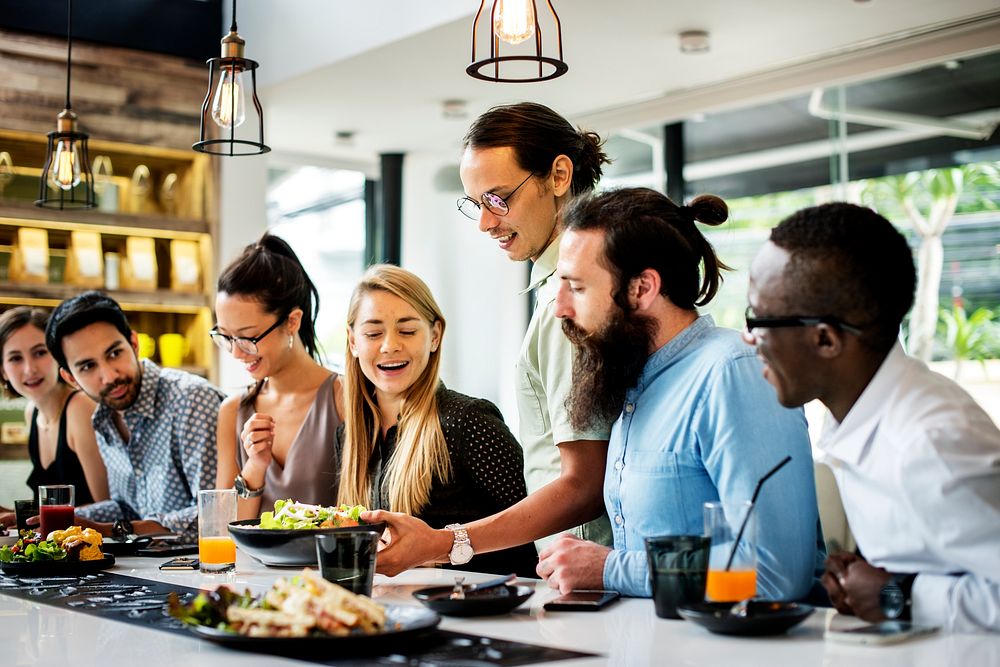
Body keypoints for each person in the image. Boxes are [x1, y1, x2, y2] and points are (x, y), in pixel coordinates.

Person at [365, 103, 617, 575]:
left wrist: (443, 543)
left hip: (587, 573)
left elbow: (583, 484)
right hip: (569, 568)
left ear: (559, 174)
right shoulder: (556, 293)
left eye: (498, 199)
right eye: (476, 204)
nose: (485, 222)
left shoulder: (572, 303)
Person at [535, 187, 821, 600]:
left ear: (642, 288)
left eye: (576, 288)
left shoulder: (734, 373)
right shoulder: (631, 382)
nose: (560, 307)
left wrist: (610, 567)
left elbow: (774, 571)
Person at [745, 202, 1000, 632]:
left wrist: (896, 593)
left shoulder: (931, 443)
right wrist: (871, 574)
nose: (749, 338)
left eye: (759, 318)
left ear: (825, 339)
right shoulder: (855, 419)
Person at [339, 265, 538, 577]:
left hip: (479, 613)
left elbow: (537, 529)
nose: (390, 345)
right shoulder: (349, 436)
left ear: (434, 335)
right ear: (353, 342)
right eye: (373, 333)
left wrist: (442, 551)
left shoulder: (468, 421)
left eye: (407, 330)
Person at [44, 292, 224, 542]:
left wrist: (114, 530)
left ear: (134, 343)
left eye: (114, 353)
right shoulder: (103, 420)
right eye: (88, 367)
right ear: (71, 379)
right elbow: (128, 508)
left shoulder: (191, 400)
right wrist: (49, 518)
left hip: (208, 569)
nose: (109, 376)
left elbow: (217, 514)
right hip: (147, 569)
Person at [213, 233, 344, 519]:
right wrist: (255, 467)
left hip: (329, 564)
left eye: (247, 338)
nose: (236, 353)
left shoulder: (344, 398)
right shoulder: (233, 411)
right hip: (248, 565)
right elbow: (222, 531)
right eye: (225, 337)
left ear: (292, 321)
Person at [0, 307, 108, 526]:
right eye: (15, 358)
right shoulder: (32, 413)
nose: (30, 369)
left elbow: (109, 505)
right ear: (2, 370)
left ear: (59, 355)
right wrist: (12, 514)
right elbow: (53, 512)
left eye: (40, 352)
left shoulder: (80, 408)